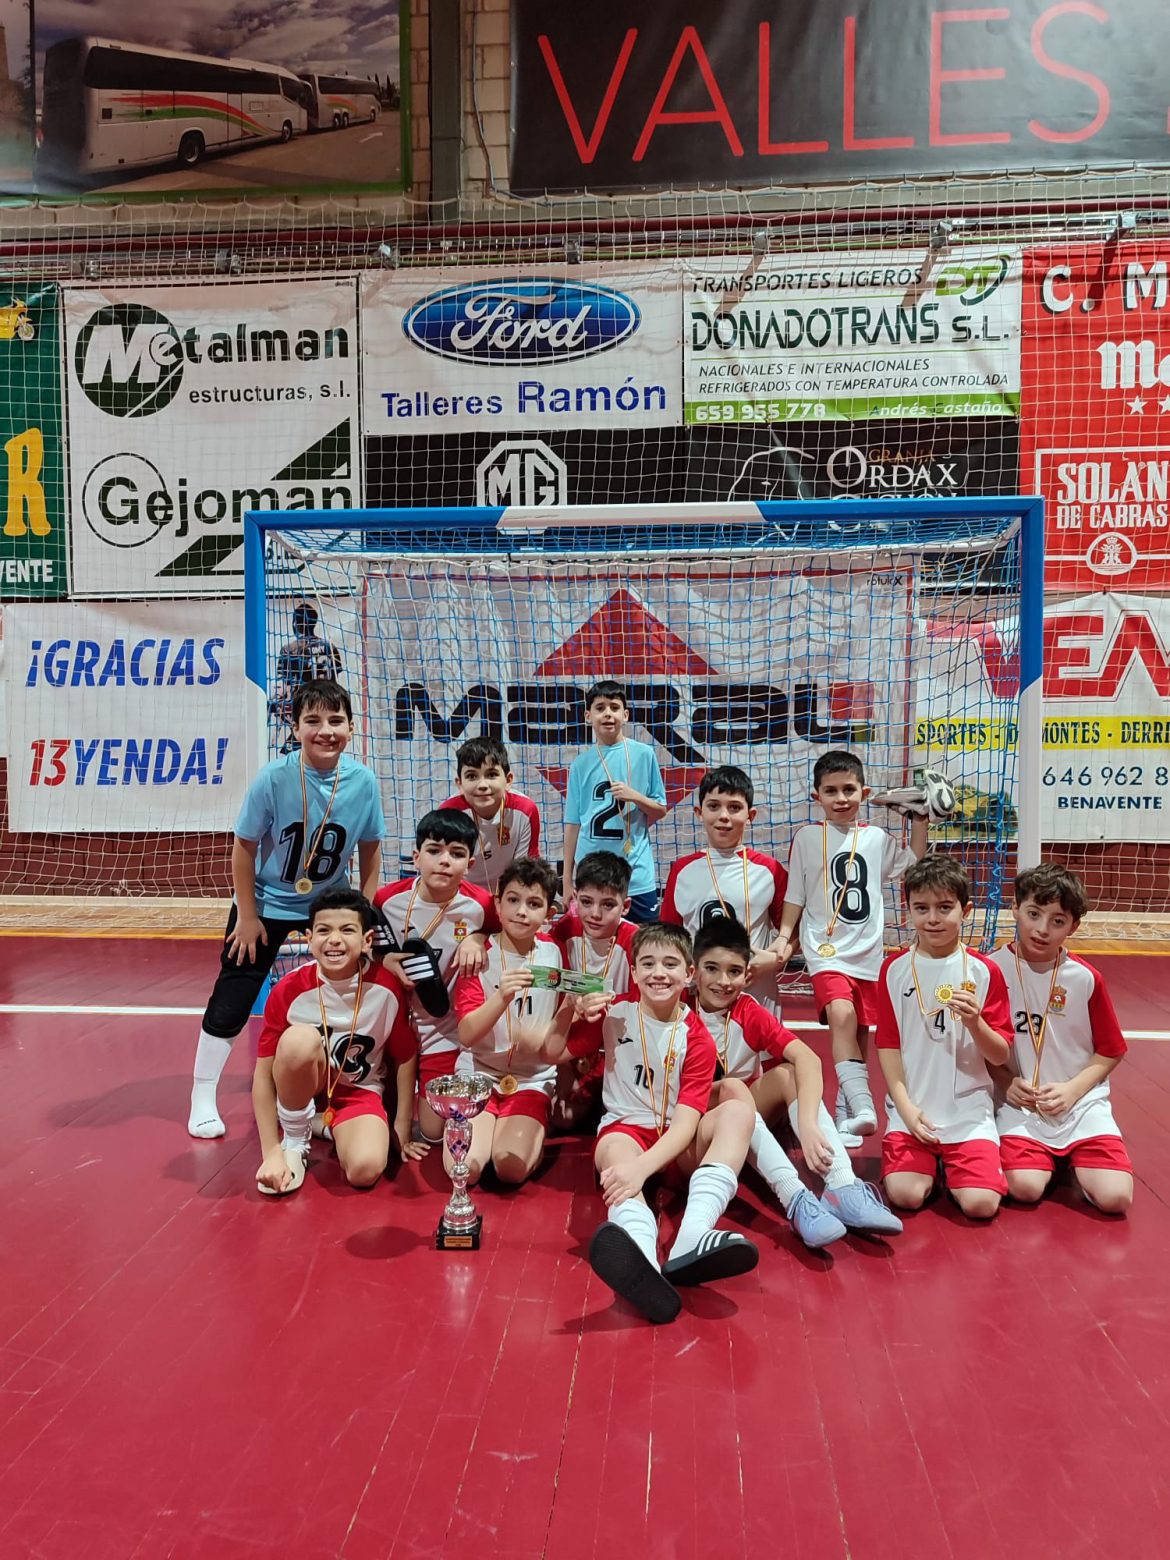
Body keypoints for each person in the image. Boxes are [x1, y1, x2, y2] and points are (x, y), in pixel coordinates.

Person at [522, 923, 759, 1325]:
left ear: (689, 975)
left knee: (737, 1110)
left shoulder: (696, 1037)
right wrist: (569, 1010)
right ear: (633, 973)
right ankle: (642, 1260)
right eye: (647, 963)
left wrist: (642, 1169)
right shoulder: (614, 1014)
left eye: (670, 964)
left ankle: (692, 1236)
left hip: (675, 1145)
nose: (658, 973)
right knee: (613, 1151)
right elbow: (551, 1051)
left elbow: (686, 1126)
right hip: (627, 1133)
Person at [188, 678, 384, 1139]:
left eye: (336, 720)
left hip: (330, 901)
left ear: (352, 728)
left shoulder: (363, 781)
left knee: (354, 983)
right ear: (295, 728)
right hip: (268, 899)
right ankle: (201, 1093)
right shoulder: (273, 778)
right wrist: (249, 914)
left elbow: (372, 851)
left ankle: (347, 1084)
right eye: (312, 721)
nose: (325, 730)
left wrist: (367, 913)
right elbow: (243, 848)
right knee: (236, 986)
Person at [692, 917, 903, 1245]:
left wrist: (807, 1124)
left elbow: (808, 1058)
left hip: (746, 1114)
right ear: (693, 971)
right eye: (712, 969)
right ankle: (796, 1199)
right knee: (733, 1096)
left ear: (747, 974)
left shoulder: (748, 1010)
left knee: (789, 1073)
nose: (723, 981)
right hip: (696, 1127)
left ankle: (842, 1186)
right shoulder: (678, 1013)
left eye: (734, 971)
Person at [774, 750, 927, 1142]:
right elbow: (795, 894)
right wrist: (782, 936)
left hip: (867, 952)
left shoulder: (876, 838)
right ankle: (864, 1105)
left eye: (848, 789)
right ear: (816, 796)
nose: (840, 798)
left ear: (865, 791)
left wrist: (922, 819)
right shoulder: (808, 837)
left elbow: (912, 864)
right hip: (825, 951)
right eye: (831, 791)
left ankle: (846, 1112)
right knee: (840, 1015)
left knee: (859, 1030)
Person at [252, 889, 418, 1196]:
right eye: (324, 930)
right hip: (304, 1086)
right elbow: (263, 1075)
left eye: (347, 930)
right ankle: (295, 1139)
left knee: (365, 1170)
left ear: (368, 940)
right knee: (299, 1039)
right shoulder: (289, 989)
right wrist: (271, 1152)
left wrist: (402, 1125)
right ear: (309, 937)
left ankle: (325, 1125)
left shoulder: (386, 988)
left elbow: (406, 1056)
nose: (334, 940)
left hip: (359, 1091)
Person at [990, 864, 1133, 1214]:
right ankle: (1051, 1161)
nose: (1042, 929)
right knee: (1023, 1188)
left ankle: (1077, 1159)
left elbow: (1111, 1051)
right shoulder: (988, 970)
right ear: (1015, 908)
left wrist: (1072, 1091)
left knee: (1116, 1199)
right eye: (1034, 914)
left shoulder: (1085, 978)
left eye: (1057, 921)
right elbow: (978, 1048)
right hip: (1019, 1105)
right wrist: (1006, 1082)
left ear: (1074, 926)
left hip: (1080, 1105)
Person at [876, 856, 1013, 1220]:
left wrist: (976, 1024)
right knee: (905, 1196)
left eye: (944, 908)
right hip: (914, 1109)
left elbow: (1000, 1055)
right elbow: (888, 1046)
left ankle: (958, 1167)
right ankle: (927, 1167)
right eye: (922, 908)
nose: (933, 918)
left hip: (968, 1114)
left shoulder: (985, 972)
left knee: (981, 1205)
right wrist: (904, 1108)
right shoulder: (894, 970)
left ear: (965, 910)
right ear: (907, 911)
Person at [373, 809, 494, 1146]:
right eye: (434, 850)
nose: (444, 861)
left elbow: (503, 937)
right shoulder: (387, 900)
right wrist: (384, 960)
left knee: (432, 1132)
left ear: (469, 864)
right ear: (416, 856)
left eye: (456, 854)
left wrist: (477, 937)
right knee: (377, 1121)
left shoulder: (480, 905)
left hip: (445, 1028)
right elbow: (371, 951)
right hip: (395, 1024)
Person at [452, 857, 572, 1185]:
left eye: (534, 904)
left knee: (510, 1167)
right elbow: (467, 1034)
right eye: (513, 900)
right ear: (498, 904)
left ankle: (517, 1127)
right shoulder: (477, 955)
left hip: (532, 1080)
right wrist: (501, 998)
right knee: (465, 1168)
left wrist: (575, 1007)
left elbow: (564, 1018)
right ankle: (485, 1129)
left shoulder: (555, 953)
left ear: (549, 914)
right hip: (479, 1073)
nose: (521, 911)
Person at [660, 765, 788, 1013]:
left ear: (751, 815)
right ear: (699, 812)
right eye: (714, 806)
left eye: (734, 807)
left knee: (763, 1052)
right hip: (697, 1002)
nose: (724, 816)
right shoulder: (682, 870)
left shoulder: (770, 870)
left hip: (757, 998)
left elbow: (792, 931)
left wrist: (775, 959)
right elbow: (670, 937)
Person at [562, 679, 667, 923]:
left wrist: (636, 796)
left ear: (626, 714)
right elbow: (573, 823)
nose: (607, 714)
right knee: (592, 949)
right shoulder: (580, 764)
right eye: (600, 708)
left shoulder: (644, 754)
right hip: (591, 875)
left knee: (643, 946)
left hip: (635, 873)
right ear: (588, 715)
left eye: (614, 707)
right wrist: (567, 879)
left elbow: (660, 809)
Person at [548, 850, 638, 1130]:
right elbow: (550, 989)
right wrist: (563, 1066)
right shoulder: (563, 931)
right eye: (586, 902)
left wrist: (600, 1005)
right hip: (574, 1048)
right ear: (574, 898)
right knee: (562, 1120)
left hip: (621, 1047)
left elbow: (641, 1004)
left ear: (625, 906)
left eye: (608, 905)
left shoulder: (636, 941)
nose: (595, 914)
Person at [439, 736, 541, 897]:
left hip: (507, 897)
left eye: (491, 775)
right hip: (460, 896)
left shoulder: (525, 810)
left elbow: (525, 870)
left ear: (508, 780)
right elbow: (444, 870)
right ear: (460, 783)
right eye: (472, 776)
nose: (482, 785)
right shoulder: (449, 813)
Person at [271, 604, 344, 752]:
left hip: (307, 707)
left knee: (296, 753)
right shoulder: (330, 646)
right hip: (329, 707)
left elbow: (286, 684)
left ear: (296, 623)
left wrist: (275, 703)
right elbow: (336, 677)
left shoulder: (290, 649)